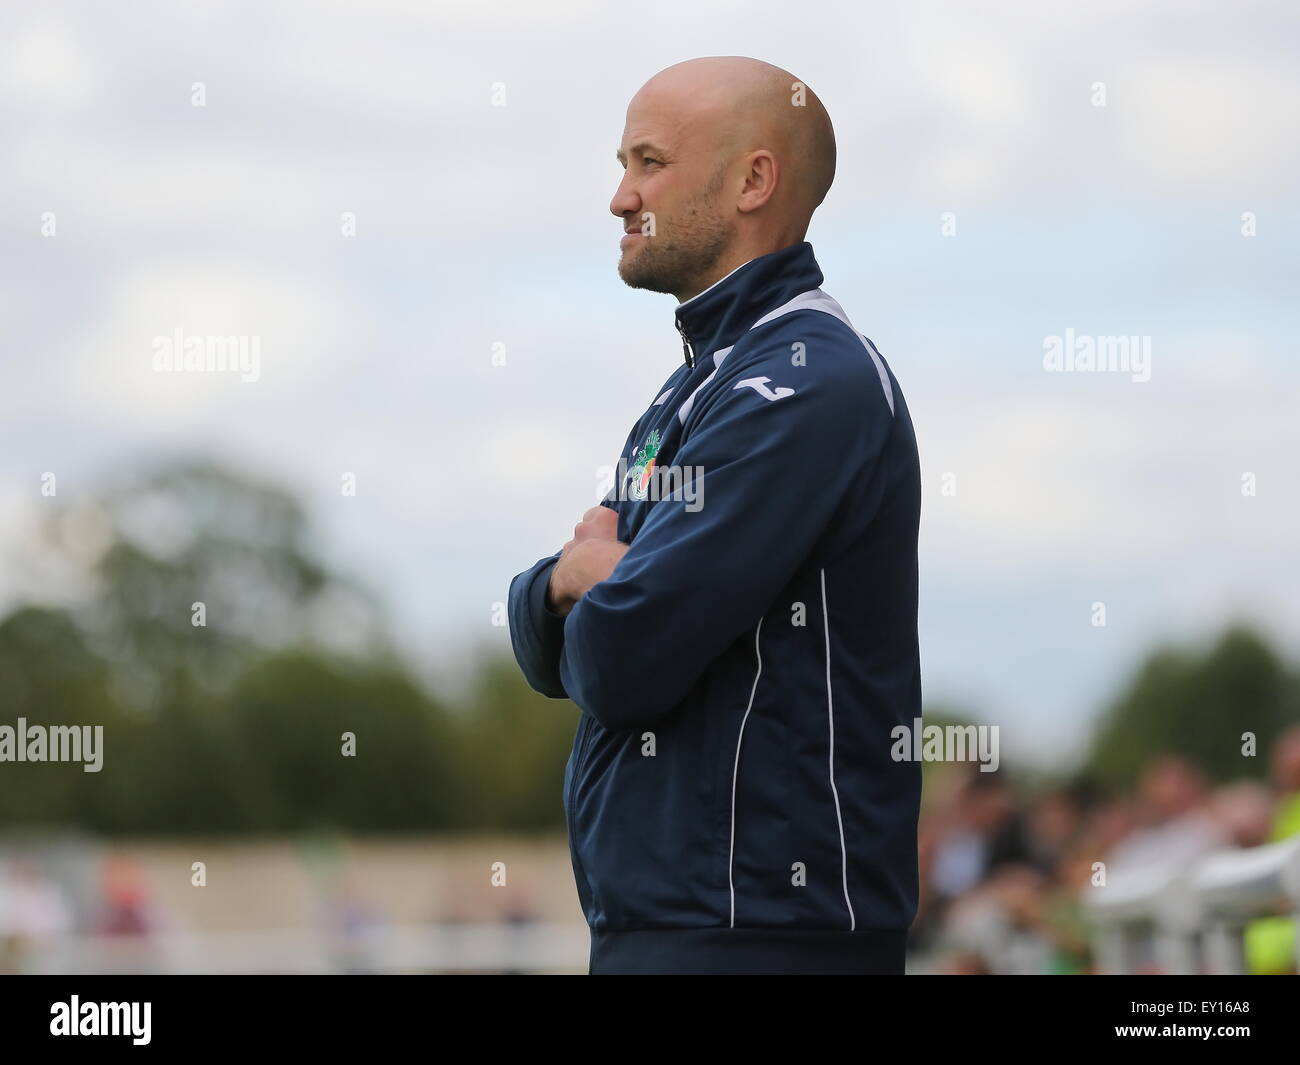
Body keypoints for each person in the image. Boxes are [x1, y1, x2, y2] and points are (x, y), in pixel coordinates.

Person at [507, 56, 922, 974]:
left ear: (752, 181)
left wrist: (595, 587)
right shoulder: (700, 385)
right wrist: (566, 583)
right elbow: (542, 635)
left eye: (649, 162)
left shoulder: (806, 382)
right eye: (623, 164)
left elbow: (622, 654)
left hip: (762, 937)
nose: (621, 197)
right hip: (668, 930)